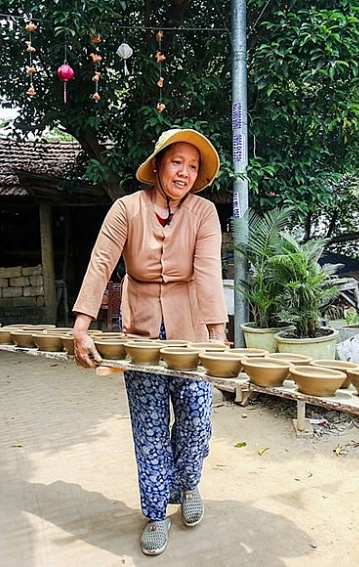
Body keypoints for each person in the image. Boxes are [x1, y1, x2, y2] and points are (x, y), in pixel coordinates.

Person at [71, 128, 228, 556]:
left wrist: (217, 334)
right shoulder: (126, 209)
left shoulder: (204, 214)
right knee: (150, 425)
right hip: (140, 329)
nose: (184, 172)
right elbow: (102, 262)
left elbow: (209, 271)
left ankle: (189, 485)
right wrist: (82, 325)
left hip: (190, 328)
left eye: (193, 166)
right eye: (177, 162)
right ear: (157, 165)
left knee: (196, 416)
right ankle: (157, 512)